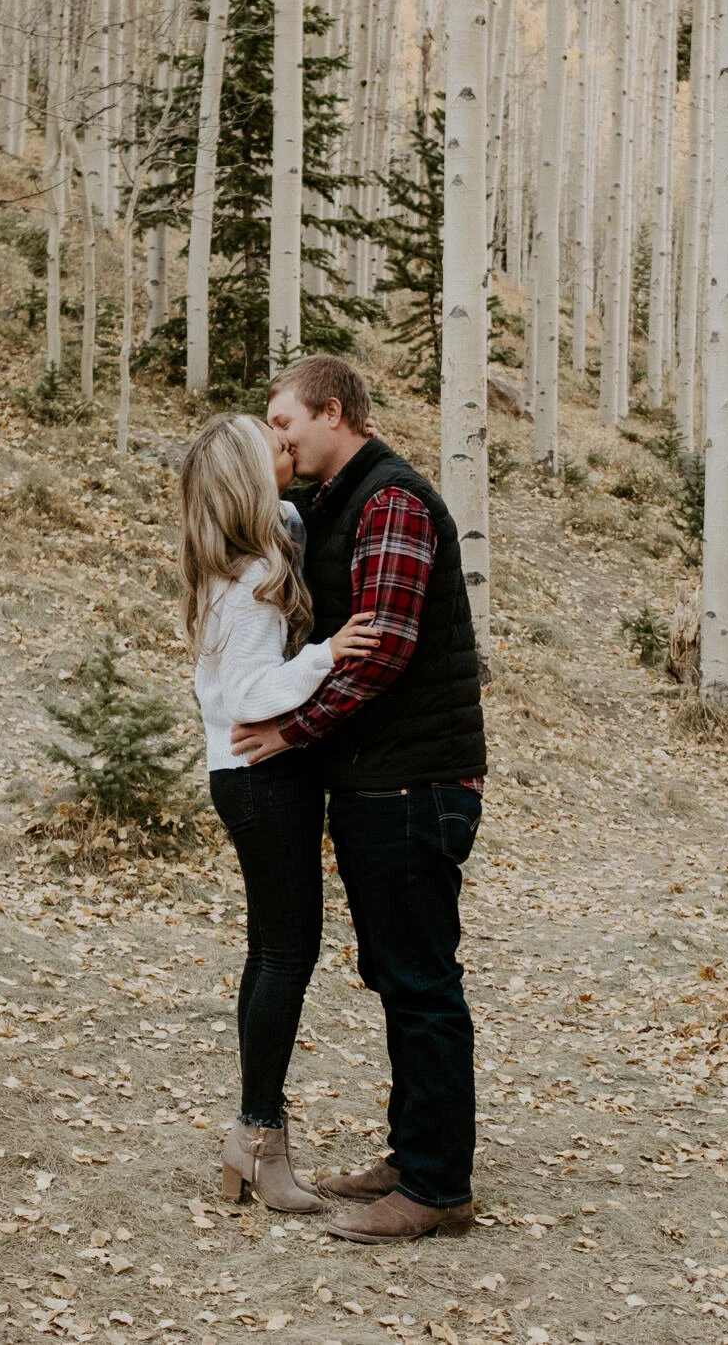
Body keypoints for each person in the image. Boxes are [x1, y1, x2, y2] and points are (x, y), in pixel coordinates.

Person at [233, 354, 488, 1245]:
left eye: (287, 423)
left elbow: (381, 648)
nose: (281, 438)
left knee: (420, 980)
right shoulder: (344, 501)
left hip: (415, 782)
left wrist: (289, 730)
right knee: (396, 972)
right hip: (384, 778)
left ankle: (436, 1187)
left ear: (333, 411)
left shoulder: (393, 501)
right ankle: (414, 1153)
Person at [178, 413, 379, 1213]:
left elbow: (289, 516)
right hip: (265, 775)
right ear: (245, 477)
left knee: (272, 949)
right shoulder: (259, 573)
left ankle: (253, 1138)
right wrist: (329, 653)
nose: (282, 443)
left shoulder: (234, 558)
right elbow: (255, 693)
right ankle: (261, 1136)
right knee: (287, 954)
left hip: (242, 779)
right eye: (269, 443)